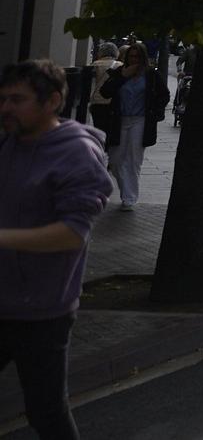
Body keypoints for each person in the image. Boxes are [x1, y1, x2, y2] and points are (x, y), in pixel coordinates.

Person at [1, 59, 114, 440]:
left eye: (17, 100)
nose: (6, 108)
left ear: (52, 101)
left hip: (42, 311)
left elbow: (72, 234)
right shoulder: (8, 144)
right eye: (3, 99)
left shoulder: (76, 154)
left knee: (46, 413)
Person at [89, 43, 167, 212]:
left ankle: (129, 197)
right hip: (120, 120)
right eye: (131, 57)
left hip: (140, 120)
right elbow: (105, 92)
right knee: (115, 159)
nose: (134, 60)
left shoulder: (151, 75)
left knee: (134, 159)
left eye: (137, 57)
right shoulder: (119, 72)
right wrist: (122, 77)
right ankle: (126, 189)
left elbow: (164, 95)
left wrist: (154, 112)